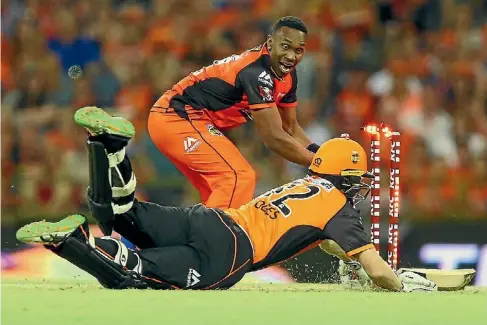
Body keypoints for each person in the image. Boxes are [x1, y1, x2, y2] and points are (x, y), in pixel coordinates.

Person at [16, 109, 436, 292]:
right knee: (137, 275)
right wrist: (401, 285)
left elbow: (320, 238)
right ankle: (72, 242)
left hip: (210, 220)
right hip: (231, 252)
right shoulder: (339, 209)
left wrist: (347, 255)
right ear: (346, 178)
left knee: (125, 215)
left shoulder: (304, 188)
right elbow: (377, 270)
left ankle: (110, 148)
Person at [147, 16, 317, 210]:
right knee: (238, 177)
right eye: (285, 47)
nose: (291, 56)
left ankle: (192, 238)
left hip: (194, 121)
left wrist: (323, 153)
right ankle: (211, 240)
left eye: (298, 50)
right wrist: (320, 163)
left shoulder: (287, 75)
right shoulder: (256, 72)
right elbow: (273, 138)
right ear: (270, 43)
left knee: (221, 193)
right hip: (175, 117)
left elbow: (291, 128)